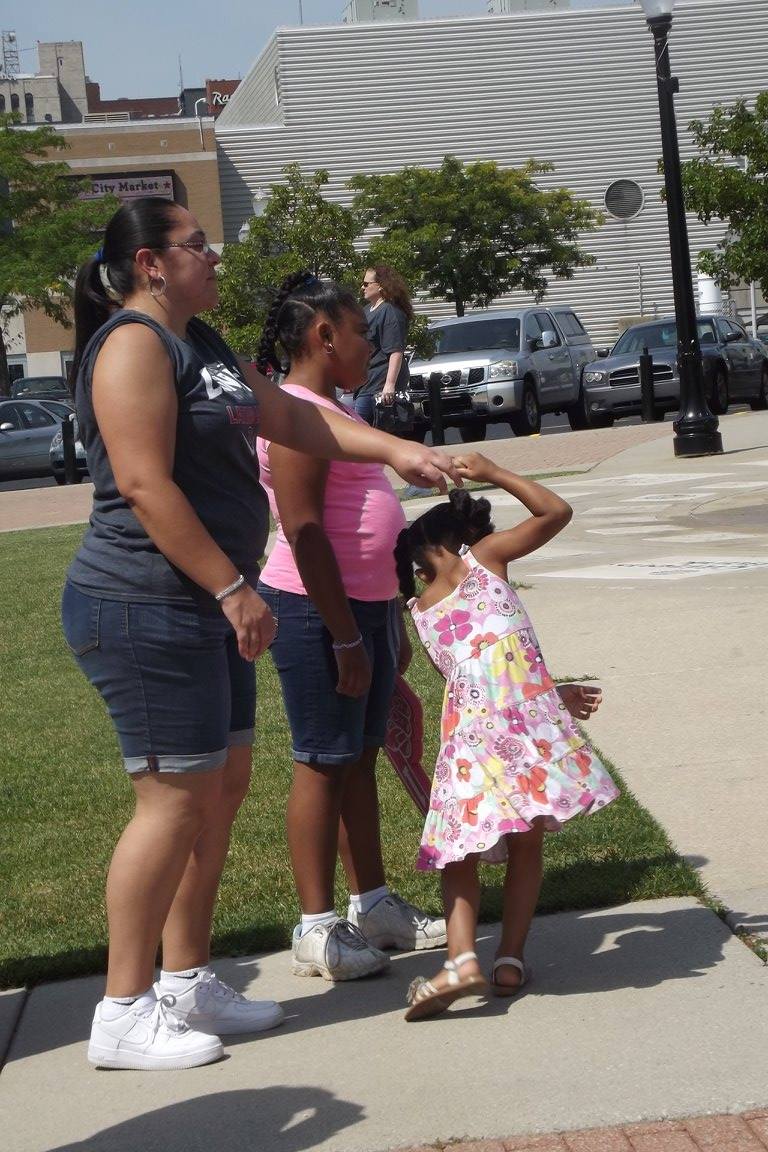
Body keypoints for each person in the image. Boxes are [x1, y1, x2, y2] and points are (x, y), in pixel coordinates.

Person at [62, 198, 458, 1071]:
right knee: (170, 800)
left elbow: (294, 417)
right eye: (196, 245)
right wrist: (236, 587)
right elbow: (141, 484)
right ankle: (123, 1011)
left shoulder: (202, 346)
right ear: (149, 265)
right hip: (145, 602)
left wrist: (392, 450)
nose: (215, 256)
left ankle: (187, 981)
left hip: (197, 604)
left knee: (219, 789)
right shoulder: (134, 345)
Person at [255, 271, 446, 983]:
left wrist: (385, 617)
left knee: (357, 759)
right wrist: (342, 636)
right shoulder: (296, 416)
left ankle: (372, 907)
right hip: (315, 612)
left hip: (362, 610)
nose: (372, 340)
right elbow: (303, 529)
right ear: (322, 336)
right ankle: (316, 929)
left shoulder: (332, 408)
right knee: (321, 761)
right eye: (361, 331)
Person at [392, 454, 619, 1021]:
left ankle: (463, 958)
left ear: (421, 561)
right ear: (457, 541)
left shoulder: (420, 611)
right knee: (527, 842)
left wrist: (552, 693)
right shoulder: (485, 561)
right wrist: (493, 470)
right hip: (526, 732)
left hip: (470, 739)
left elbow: (474, 676)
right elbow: (555, 510)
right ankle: (510, 959)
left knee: (459, 852)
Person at [354, 264, 412, 426]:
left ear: (380, 286)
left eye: (366, 284)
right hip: (366, 383)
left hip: (379, 385)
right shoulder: (366, 311)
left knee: (361, 431)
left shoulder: (389, 312)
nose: (362, 287)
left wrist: (390, 385)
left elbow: (396, 351)